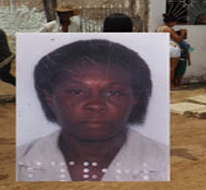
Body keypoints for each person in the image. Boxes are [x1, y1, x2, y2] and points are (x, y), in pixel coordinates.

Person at [16, 39, 168, 181]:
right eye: (76, 92)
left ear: (134, 99)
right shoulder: (17, 161)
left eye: (114, 93)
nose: (95, 104)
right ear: (50, 98)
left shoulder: (165, 161)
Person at [156, 14, 185, 88]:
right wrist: (182, 33)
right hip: (173, 49)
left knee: (166, 67)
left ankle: (166, 84)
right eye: (175, 22)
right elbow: (178, 39)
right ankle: (171, 85)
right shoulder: (169, 29)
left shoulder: (158, 29)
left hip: (164, 48)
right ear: (170, 22)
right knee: (172, 68)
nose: (175, 24)